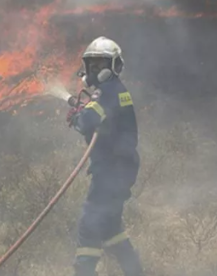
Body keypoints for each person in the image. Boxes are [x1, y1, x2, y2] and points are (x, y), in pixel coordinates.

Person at [66, 36, 144, 276]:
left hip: (111, 173)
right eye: (93, 65)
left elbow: (88, 120)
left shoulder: (107, 92)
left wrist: (77, 117)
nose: (96, 70)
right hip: (120, 171)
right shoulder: (116, 90)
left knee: (89, 227)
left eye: (102, 65)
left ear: (115, 66)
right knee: (111, 229)